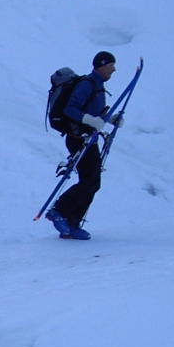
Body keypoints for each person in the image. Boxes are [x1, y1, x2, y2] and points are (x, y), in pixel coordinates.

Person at [50, 51, 119, 240]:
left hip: (89, 139)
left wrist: (111, 119)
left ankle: (72, 222)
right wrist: (89, 120)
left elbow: (96, 113)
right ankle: (59, 211)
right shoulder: (87, 84)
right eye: (111, 65)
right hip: (78, 138)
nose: (113, 69)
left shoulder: (98, 85)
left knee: (93, 182)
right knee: (90, 182)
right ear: (101, 65)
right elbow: (70, 109)